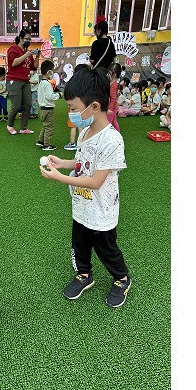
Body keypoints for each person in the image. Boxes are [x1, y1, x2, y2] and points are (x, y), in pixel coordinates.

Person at [39, 67, 132, 308]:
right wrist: (63, 163)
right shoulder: (85, 132)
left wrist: (60, 178)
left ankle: (122, 278)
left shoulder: (112, 140)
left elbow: (96, 181)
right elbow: (83, 162)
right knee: (79, 244)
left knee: (106, 249)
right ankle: (84, 274)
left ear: (94, 107)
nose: (70, 114)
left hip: (101, 210)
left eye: (73, 108)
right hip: (82, 206)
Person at [6, 28, 40, 135]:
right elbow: (13, 63)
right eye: (26, 39)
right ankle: (10, 125)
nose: (28, 41)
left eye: (30, 39)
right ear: (20, 38)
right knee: (16, 106)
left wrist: (37, 56)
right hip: (14, 80)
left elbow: (34, 67)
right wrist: (26, 55)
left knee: (28, 104)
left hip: (25, 81)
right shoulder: (13, 49)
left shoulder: (27, 52)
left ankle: (23, 128)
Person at [64, 63, 91, 151]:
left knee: (73, 126)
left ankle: (72, 144)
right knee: (81, 126)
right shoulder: (87, 84)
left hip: (73, 109)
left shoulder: (71, 83)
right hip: (83, 109)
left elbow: (67, 96)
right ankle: (82, 144)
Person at [36, 60, 61, 151]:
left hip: (43, 109)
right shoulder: (47, 84)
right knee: (49, 127)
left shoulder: (41, 83)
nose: (53, 73)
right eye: (52, 71)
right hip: (48, 109)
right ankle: (46, 145)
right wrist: (59, 95)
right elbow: (50, 96)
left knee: (45, 126)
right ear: (48, 72)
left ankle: (40, 140)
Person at [107, 64, 121, 132]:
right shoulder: (111, 83)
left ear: (114, 74)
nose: (108, 74)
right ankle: (118, 134)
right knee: (113, 121)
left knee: (108, 124)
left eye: (109, 73)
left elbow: (113, 98)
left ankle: (116, 134)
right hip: (112, 106)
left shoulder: (114, 85)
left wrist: (110, 109)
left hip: (112, 107)